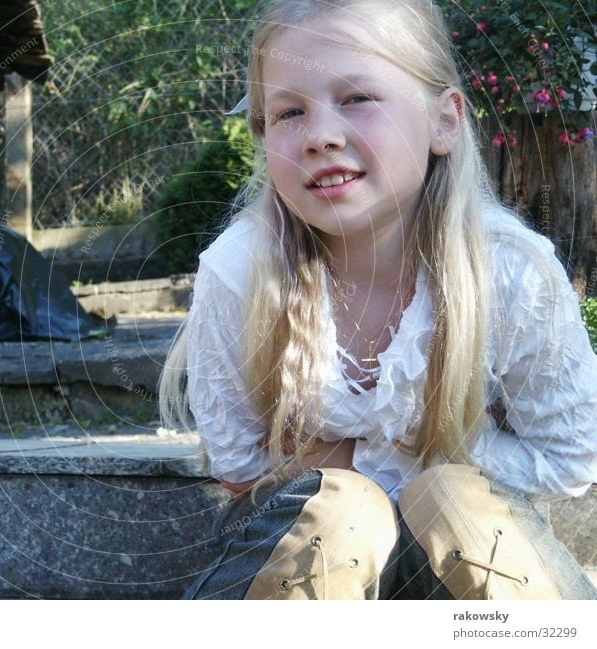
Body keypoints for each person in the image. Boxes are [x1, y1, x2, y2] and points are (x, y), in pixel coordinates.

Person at [158, 0, 597, 599]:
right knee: (341, 514)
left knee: (455, 502)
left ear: (444, 121)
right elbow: (239, 462)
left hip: (461, 570)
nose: (321, 136)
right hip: (293, 551)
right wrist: (360, 480)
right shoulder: (241, 273)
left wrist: (402, 452)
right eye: (288, 112)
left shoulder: (512, 272)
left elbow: (571, 455)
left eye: (358, 98)